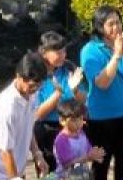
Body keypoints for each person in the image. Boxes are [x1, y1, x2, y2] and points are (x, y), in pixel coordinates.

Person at [80, 6, 123, 180]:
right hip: (101, 118)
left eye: (118, 22)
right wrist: (116, 56)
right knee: (101, 165)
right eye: (111, 24)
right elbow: (102, 83)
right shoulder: (90, 50)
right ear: (99, 27)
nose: (116, 27)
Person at [0, 52, 48, 180]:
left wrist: (37, 154)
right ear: (18, 76)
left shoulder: (32, 95)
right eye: (31, 86)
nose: (34, 89)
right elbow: (5, 151)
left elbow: (28, 127)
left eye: (38, 86)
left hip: (15, 168)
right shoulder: (8, 108)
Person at [33, 31, 86, 172]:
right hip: (47, 129)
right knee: (50, 174)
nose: (63, 55)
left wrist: (75, 90)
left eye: (64, 51)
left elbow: (83, 100)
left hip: (71, 125)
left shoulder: (68, 68)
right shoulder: (36, 74)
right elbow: (37, 114)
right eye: (58, 52)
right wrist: (58, 94)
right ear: (44, 53)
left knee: (74, 171)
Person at [53, 99, 104, 174]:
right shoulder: (61, 140)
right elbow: (68, 165)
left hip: (82, 175)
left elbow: (88, 149)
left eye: (80, 119)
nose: (78, 123)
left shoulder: (81, 134)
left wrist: (95, 153)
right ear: (62, 120)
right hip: (66, 179)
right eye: (73, 120)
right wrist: (87, 158)